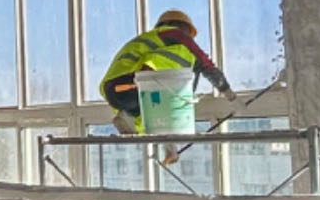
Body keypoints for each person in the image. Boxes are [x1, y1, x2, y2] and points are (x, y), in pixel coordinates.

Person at [99, 8, 235, 135]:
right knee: (190, 59)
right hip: (133, 85)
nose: (190, 38)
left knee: (154, 108)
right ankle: (179, 111)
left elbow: (155, 116)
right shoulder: (175, 34)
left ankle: (127, 116)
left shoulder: (148, 41)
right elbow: (204, 62)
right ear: (184, 27)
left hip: (115, 91)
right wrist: (226, 90)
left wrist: (169, 144)